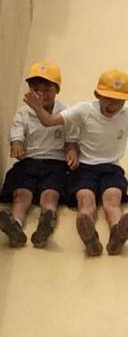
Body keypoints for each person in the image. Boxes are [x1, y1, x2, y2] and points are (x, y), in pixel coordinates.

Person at [24, 68, 128, 256]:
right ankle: (89, 234)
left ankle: (117, 232)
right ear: (97, 95)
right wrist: (38, 108)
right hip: (84, 168)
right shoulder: (84, 110)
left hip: (111, 168)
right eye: (108, 98)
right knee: (85, 199)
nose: (113, 105)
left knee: (112, 200)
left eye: (119, 100)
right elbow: (49, 121)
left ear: (125, 101)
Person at [0, 62, 78, 248]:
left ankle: (46, 220)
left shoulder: (65, 112)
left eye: (47, 89)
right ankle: (15, 224)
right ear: (29, 91)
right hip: (29, 161)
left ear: (57, 89)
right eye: (36, 90)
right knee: (21, 194)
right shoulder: (24, 112)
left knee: (50, 194)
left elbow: (71, 137)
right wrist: (17, 142)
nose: (41, 94)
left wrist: (72, 150)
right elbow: (17, 130)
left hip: (55, 163)